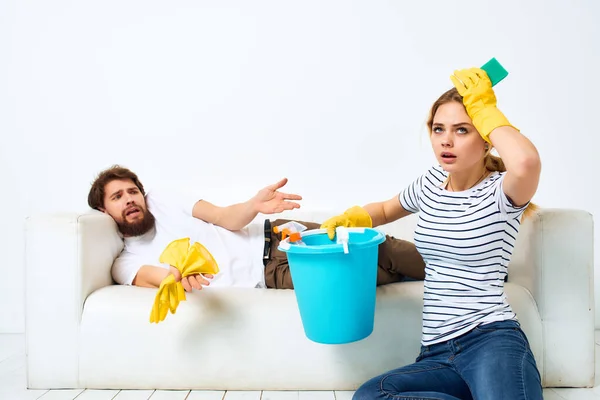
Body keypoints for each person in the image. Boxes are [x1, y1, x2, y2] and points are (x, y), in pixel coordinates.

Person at [321, 67, 543, 399]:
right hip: (436, 353)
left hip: (491, 341)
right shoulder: (430, 184)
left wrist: (485, 109)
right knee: (371, 396)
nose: (446, 140)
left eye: (462, 130)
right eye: (438, 129)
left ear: (485, 139)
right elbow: (384, 210)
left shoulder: (501, 192)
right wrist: (353, 217)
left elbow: (525, 162)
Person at [86, 166, 426, 292]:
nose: (130, 199)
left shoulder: (161, 200)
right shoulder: (125, 262)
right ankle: (450, 279)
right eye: (118, 197)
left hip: (276, 234)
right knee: (360, 275)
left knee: (380, 247)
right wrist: (177, 274)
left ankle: (460, 263)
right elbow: (163, 279)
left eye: (132, 191)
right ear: (104, 210)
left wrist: (253, 205)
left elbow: (224, 217)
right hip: (270, 274)